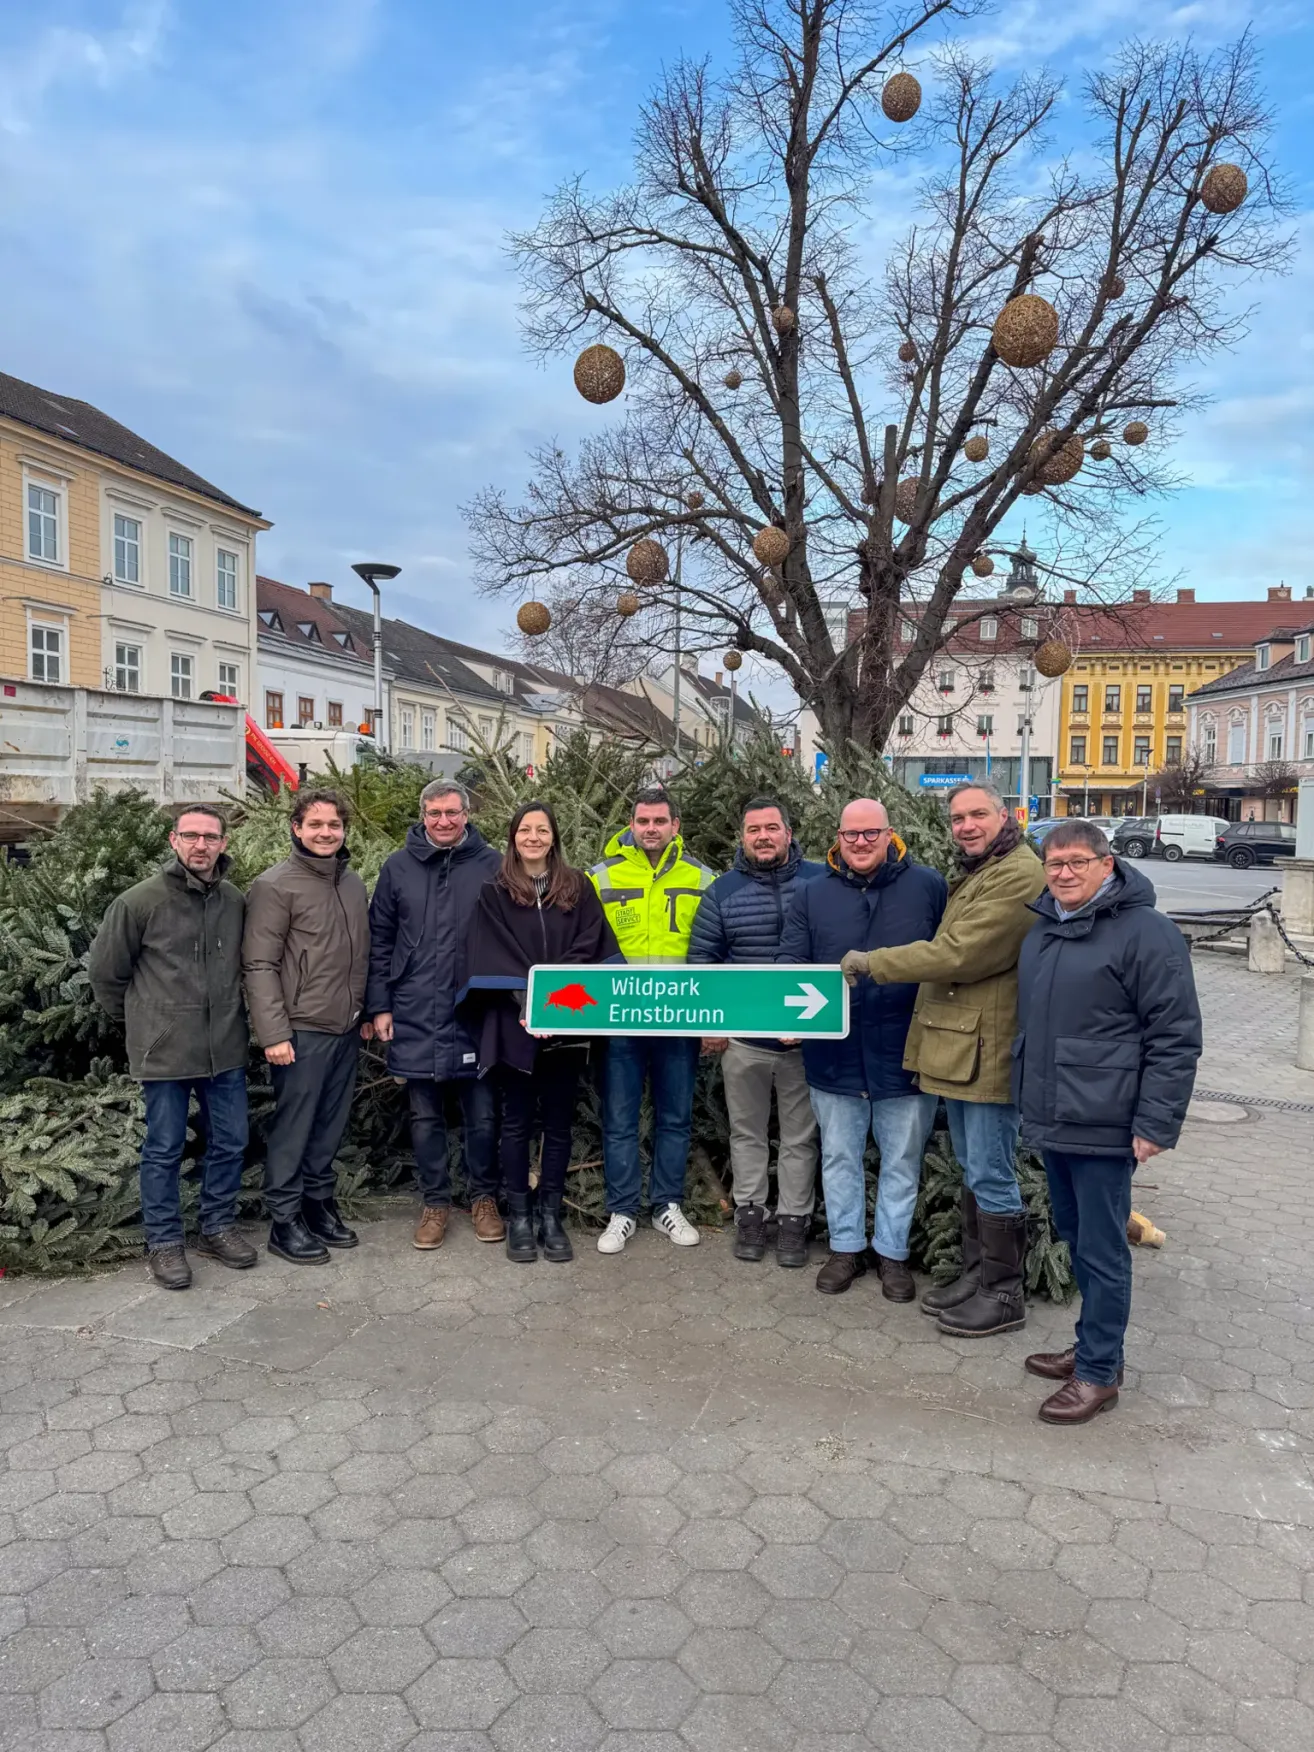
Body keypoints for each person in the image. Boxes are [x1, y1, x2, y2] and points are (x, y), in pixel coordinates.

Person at [1015, 821, 1201, 1424]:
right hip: (1056, 1114)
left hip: (1106, 1119)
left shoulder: (1146, 932)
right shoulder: (1046, 925)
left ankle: (1098, 1374)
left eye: (1077, 861)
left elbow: (1175, 1036)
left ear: (1107, 864)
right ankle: (1096, 1347)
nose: (1064, 873)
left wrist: (1155, 1122)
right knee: (1076, 1234)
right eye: (1054, 863)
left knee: (1102, 1248)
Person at [848, 783, 1045, 1336]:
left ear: (1005, 816)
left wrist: (874, 963)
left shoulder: (1019, 874)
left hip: (987, 1049)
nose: (966, 826)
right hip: (964, 1048)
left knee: (991, 1171)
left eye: (978, 814)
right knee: (973, 1167)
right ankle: (978, 1278)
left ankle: (1003, 1296)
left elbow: (960, 953)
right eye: (958, 818)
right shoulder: (986, 870)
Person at [781, 800, 948, 1297]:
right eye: (850, 834)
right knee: (839, 1158)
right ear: (838, 837)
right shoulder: (812, 893)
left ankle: (892, 1255)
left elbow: (949, 958)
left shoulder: (928, 886)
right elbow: (791, 961)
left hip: (906, 1053)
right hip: (834, 1054)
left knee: (902, 1161)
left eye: (870, 833)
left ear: (889, 834)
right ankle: (846, 1248)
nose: (860, 842)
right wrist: (786, 1018)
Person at [89, 805, 256, 1291]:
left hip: (225, 1048)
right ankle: (163, 1242)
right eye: (191, 835)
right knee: (164, 1148)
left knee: (231, 1141)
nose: (201, 845)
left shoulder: (234, 901)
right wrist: (146, 1023)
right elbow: (106, 975)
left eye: (210, 837)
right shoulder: (139, 902)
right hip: (164, 1053)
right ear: (173, 840)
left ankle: (216, 1227)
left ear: (224, 843)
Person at [459, 801, 621, 1263]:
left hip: (568, 1018)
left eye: (542, 830)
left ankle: (551, 1215)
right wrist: (528, 1004)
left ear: (554, 838)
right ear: (513, 837)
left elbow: (591, 942)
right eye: (525, 830)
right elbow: (492, 951)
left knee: (558, 1123)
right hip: (516, 1021)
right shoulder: (494, 891)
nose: (533, 837)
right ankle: (520, 1216)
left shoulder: (578, 886)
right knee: (515, 1122)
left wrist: (554, 999)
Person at [688, 797, 825, 1268]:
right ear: (742, 837)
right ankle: (750, 1216)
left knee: (800, 1137)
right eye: (753, 830)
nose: (762, 837)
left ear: (788, 832)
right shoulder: (722, 892)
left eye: (771, 828)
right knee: (746, 1132)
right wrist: (711, 1025)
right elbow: (703, 961)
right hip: (743, 1041)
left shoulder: (820, 881)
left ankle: (793, 1221)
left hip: (806, 1042)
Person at [368, 779, 503, 1250]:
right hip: (415, 1008)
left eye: (452, 812)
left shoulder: (493, 864)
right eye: (434, 813)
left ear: (467, 814)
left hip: (475, 1010)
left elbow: (512, 937)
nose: (443, 821)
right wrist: (379, 1004)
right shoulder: (397, 867)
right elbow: (380, 940)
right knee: (424, 1118)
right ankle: (435, 1203)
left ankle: (484, 1199)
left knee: (482, 1117)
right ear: (422, 815)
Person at [242, 789, 371, 1264]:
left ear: (344, 830)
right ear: (296, 828)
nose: (325, 833)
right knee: (295, 1128)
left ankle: (318, 1205)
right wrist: (274, 1033)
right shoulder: (275, 885)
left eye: (334, 825)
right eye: (315, 824)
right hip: (300, 1031)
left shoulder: (351, 883)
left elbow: (362, 954)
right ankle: (284, 1220)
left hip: (345, 1027)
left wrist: (364, 1011)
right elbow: (258, 964)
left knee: (329, 1126)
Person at [589, 785, 716, 1255]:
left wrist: (712, 1019)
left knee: (675, 1119)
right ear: (631, 823)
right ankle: (622, 1210)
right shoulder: (601, 876)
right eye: (642, 821)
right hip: (620, 1021)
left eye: (659, 821)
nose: (650, 829)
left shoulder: (703, 878)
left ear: (675, 826)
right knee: (620, 1119)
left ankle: (666, 1205)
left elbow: (713, 950)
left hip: (679, 1021)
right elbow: (585, 945)